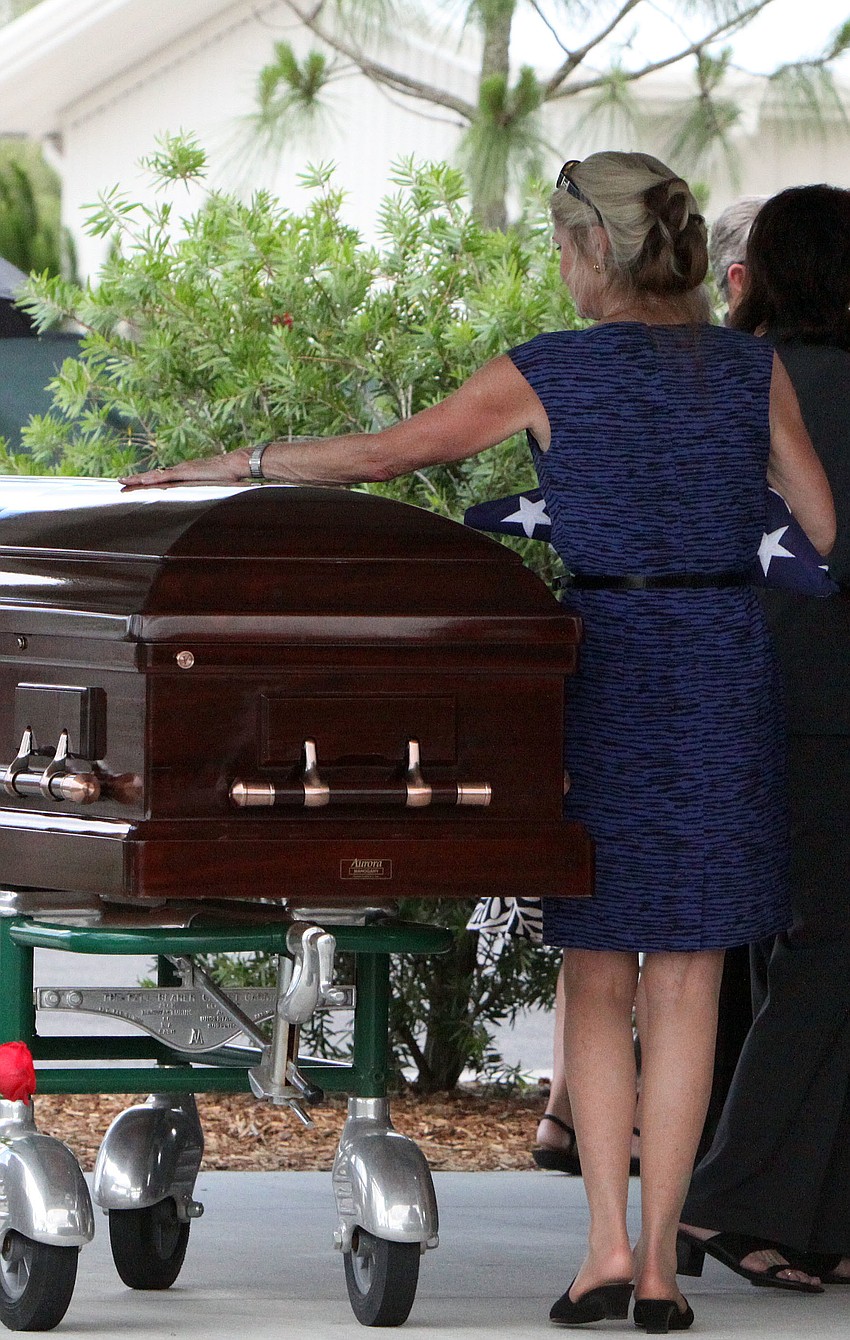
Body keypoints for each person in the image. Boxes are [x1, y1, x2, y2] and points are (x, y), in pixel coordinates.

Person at [122, 151, 835, 1333]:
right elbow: (817, 522)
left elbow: (382, 455)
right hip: (720, 664)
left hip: (605, 663)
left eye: (560, 245)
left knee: (597, 966)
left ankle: (604, 1250)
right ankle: (663, 1271)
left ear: (592, 249)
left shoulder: (547, 368)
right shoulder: (748, 368)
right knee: (692, 972)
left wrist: (230, 467)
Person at [678, 184, 850, 1293]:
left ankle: (805, 1216)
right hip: (827, 700)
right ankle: (728, 1200)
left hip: (726, 694)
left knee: (777, 953)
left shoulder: (728, 378)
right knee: (825, 953)